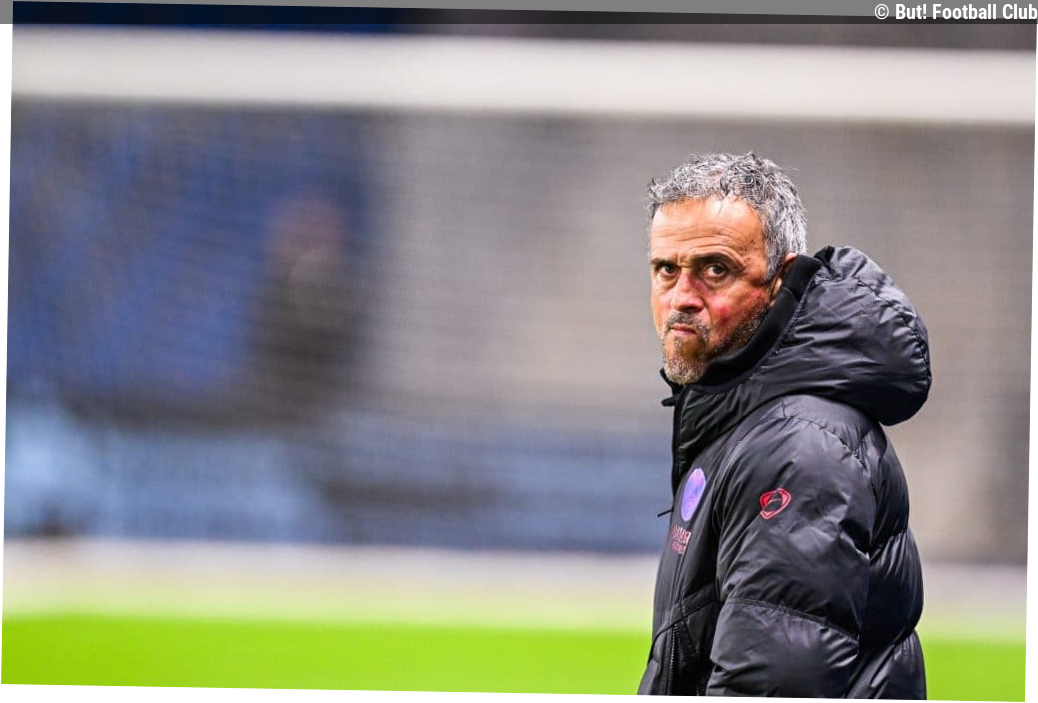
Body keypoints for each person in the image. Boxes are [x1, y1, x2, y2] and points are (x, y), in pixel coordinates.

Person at [637, 153, 930, 699]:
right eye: (666, 270)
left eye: (715, 269)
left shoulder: (799, 448)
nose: (681, 297)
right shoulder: (747, 418)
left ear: (780, 279)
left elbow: (772, 685)